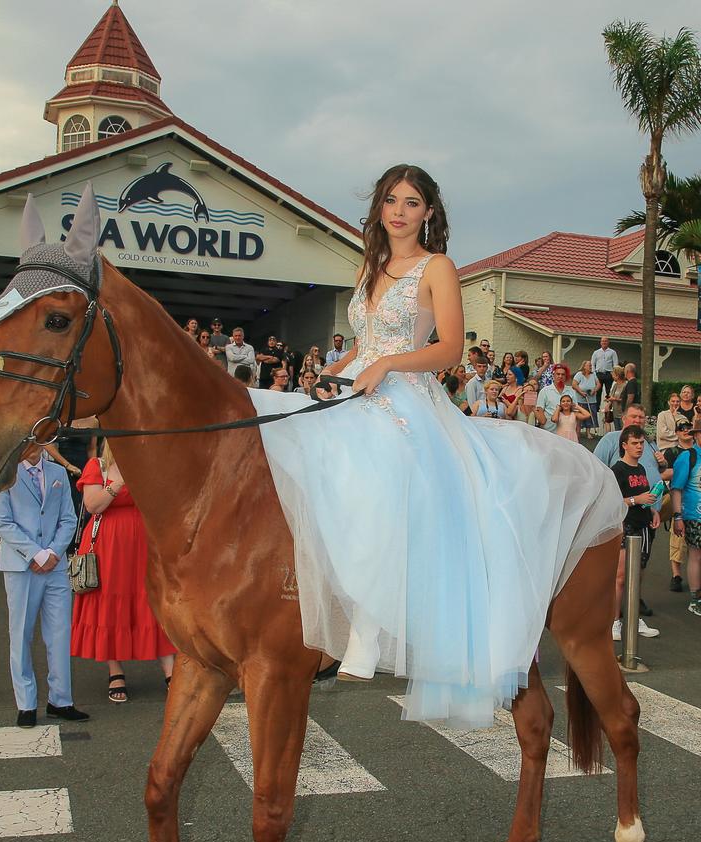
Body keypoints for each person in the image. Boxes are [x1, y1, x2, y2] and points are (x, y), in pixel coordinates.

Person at [247, 163, 624, 725]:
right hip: (360, 388)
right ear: (380, 207)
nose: (399, 210)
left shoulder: (437, 266)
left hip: (409, 399)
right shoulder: (368, 267)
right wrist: (334, 367)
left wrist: (391, 364)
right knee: (284, 438)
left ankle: (367, 628)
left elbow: (448, 348)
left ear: (428, 213)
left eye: (412, 202)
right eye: (392, 200)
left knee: (384, 472)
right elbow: (365, 342)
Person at [0, 446, 87, 728]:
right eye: (32, 439)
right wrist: (35, 553)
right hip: (21, 565)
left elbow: (69, 517)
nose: (37, 446)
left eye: (42, 440)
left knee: (59, 633)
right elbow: (3, 523)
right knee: (21, 633)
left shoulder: (56, 471)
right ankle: (26, 704)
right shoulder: (3, 473)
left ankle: (61, 699)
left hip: (55, 565)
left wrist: (54, 552)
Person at [70, 443, 175, 702]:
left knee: (151, 602)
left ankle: (170, 669)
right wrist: (116, 485)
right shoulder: (98, 466)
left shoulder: (145, 462)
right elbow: (93, 505)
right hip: (108, 547)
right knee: (108, 604)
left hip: (143, 544)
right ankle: (115, 670)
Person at [610, 425, 661, 641]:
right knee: (621, 577)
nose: (639, 447)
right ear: (624, 445)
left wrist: (651, 509)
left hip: (643, 525)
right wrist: (636, 500)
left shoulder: (640, 469)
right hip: (625, 525)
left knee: (637, 575)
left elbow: (642, 495)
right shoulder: (617, 470)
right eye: (634, 443)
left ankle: (634, 618)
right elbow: (612, 502)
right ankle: (614, 621)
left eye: (641, 443)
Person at [670, 419, 701, 616]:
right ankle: (695, 598)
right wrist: (677, 516)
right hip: (694, 515)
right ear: (697, 435)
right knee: (696, 554)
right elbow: (676, 489)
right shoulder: (688, 457)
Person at [663, 419, 695, 591]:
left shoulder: (697, 451)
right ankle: (676, 575)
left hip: (696, 499)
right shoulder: (671, 452)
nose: (686, 431)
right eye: (682, 428)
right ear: (676, 432)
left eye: (689, 428)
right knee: (678, 539)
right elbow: (662, 474)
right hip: (679, 499)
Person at [534, 363, 576, 431]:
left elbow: (575, 410)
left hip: (566, 431)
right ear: (553, 375)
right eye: (558, 374)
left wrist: (577, 431)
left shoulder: (571, 391)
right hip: (549, 431)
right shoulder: (545, 391)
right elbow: (540, 410)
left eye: (563, 374)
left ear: (566, 376)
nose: (560, 376)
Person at [572, 360, 600, 438]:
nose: (591, 367)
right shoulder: (579, 374)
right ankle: (578, 432)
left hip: (591, 399)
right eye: (589, 365)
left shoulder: (593, 374)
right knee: (580, 416)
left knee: (590, 415)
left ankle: (588, 433)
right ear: (584, 366)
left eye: (591, 365)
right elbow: (574, 384)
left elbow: (598, 384)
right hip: (581, 399)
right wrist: (581, 392)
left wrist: (594, 390)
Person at [607, 366, 627, 430]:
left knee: (623, 431)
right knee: (617, 430)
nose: (612, 376)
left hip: (622, 413)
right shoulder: (615, 385)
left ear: (617, 376)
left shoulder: (625, 385)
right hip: (615, 412)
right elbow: (611, 396)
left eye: (613, 375)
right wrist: (608, 404)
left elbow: (625, 399)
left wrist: (615, 399)